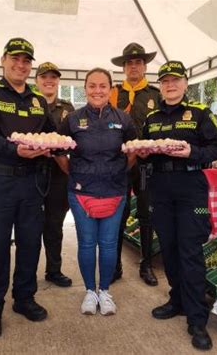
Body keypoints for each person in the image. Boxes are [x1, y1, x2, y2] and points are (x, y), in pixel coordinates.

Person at [139, 61, 217, 350]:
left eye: (175, 80)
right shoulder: (151, 118)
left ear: (185, 83)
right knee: (169, 249)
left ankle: (197, 318)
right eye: (165, 81)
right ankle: (176, 300)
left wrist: (192, 152)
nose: (170, 85)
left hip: (191, 188)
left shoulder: (199, 113)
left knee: (190, 251)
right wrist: (143, 152)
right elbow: (143, 154)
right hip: (160, 188)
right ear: (160, 86)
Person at [0, 37, 55, 338]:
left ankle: (24, 299)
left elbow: (49, 133)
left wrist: (53, 146)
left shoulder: (37, 99)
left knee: (31, 242)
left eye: (26, 60)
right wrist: (15, 151)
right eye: (15, 59)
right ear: (3, 60)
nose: (20, 65)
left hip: (33, 181)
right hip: (1, 179)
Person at [56, 68, 137, 316]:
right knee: (87, 244)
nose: (97, 90)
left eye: (103, 86)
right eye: (92, 86)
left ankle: (105, 291)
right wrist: (76, 174)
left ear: (111, 89)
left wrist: (118, 172)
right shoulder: (72, 119)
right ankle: (90, 292)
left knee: (110, 245)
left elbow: (133, 150)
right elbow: (59, 150)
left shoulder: (124, 119)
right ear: (85, 89)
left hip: (115, 190)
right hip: (81, 192)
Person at [109, 42, 160, 286]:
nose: (134, 66)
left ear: (145, 65)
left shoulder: (155, 95)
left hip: (147, 165)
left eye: (138, 62)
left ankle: (147, 264)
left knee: (147, 214)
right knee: (118, 213)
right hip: (119, 164)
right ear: (124, 67)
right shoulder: (113, 93)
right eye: (129, 62)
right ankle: (115, 264)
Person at [34, 62, 75, 287]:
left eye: (53, 77)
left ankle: (54, 270)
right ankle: (27, 271)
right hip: (32, 173)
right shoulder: (27, 104)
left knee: (54, 225)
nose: (49, 81)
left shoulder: (68, 108)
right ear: (36, 80)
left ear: (58, 80)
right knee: (29, 226)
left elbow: (75, 139)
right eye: (44, 77)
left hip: (59, 173)